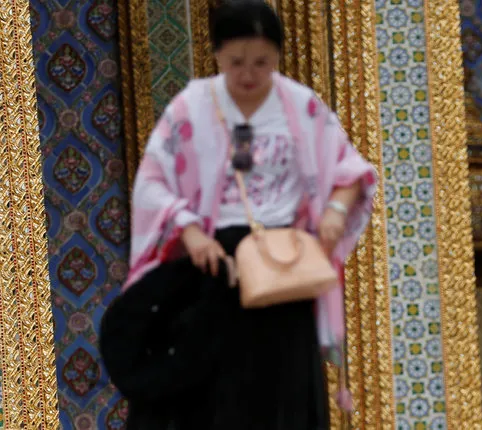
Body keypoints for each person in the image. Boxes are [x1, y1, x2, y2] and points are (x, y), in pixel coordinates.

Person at [117, 0, 377, 428]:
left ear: (277, 57)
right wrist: (190, 231)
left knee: (283, 390)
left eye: (262, 61)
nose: (249, 74)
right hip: (215, 264)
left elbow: (352, 171)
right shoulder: (191, 108)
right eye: (237, 61)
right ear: (217, 55)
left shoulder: (301, 105)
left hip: (282, 264)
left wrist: (334, 210)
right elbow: (151, 184)